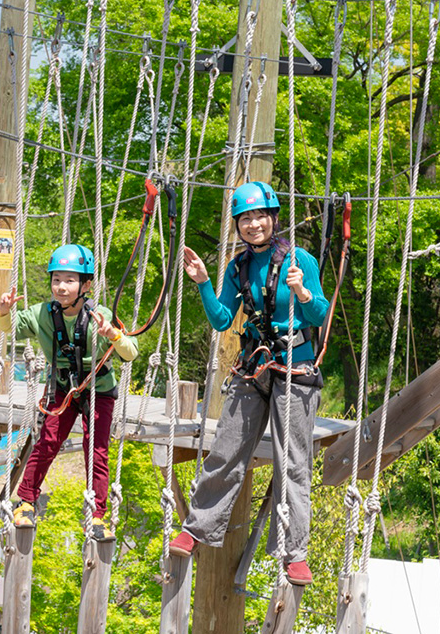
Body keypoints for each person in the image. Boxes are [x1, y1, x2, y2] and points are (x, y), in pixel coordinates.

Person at [167, 181, 329, 586]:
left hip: (295, 367)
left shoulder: (298, 259)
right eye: (245, 219)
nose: (253, 224)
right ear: (238, 225)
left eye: (259, 216)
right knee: (226, 449)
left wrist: (303, 293)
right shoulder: (238, 267)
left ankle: (295, 552)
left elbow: (320, 314)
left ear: (273, 218)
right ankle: (196, 528)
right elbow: (223, 319)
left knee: (292, 462)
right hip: (253, 367)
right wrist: (203, 281)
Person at [0, 244, 139, 542]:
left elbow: (130, 353)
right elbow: (10, 329)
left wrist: (112, 333)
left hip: (97, 388)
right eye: (56, 280)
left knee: (96, 450)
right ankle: (25, 501)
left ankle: (98, 516)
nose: (61, 287)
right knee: (47, 441)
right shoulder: (42, 314)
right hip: (62, 387)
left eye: (70, 280)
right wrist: (5, 311)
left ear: (85, 285)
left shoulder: (98, 315)